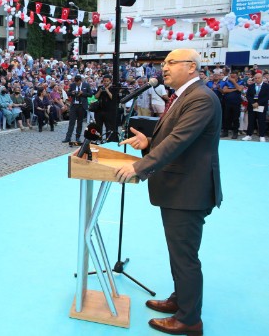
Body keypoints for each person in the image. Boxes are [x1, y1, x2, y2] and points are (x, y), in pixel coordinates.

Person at [115, 49, 222, 336]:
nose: (164, 68)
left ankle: (189, 320)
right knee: (179, 253)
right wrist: (148, 142)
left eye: (171, 62)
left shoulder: (200, 98)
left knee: (185, 256)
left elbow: (179, 140)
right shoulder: (182, 96)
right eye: (163, 63)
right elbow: (171, 137)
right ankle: (181, 300)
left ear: (191, 67)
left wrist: (140, 166)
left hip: (189, 191)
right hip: (179, 188)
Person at [63, 75, 92, 143]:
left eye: (77, 82)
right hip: (74, 105)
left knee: (80, 122)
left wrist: (83, 93)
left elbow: (90, 94)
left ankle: (78, 137)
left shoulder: (86, 85)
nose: (76, 83)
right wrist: (72, 93)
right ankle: (68, 137)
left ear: (80, 81)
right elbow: (68, 93)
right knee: (71, 122)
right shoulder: (73, 85)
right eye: (75, 82)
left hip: (81, 106)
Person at [241, 72, 268, 142]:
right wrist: (253, 103)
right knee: (251, 121)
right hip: (252, 106)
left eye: (259, 78)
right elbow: (248, 95)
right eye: (255, 78)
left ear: (262, 78)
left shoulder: (267, 86)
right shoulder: (251, 86)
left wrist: (258, 103)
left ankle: (262, 136)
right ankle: (249, 135)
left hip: (261, 106)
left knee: (261, 121)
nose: (257, 79)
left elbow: (266, 97)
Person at [220, 71, 243, 139]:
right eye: (231, 76)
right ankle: (225, 132)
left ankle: (235, 132)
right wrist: (235, 89)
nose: (232, 77)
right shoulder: (227, 82)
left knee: (235, 118)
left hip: (236, 103)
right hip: (227, 103)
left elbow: (240, 89)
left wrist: (233, 82)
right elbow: (224, 91)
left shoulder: (241, 82)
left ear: (237, 76)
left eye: (234, 76)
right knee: (226, 117)